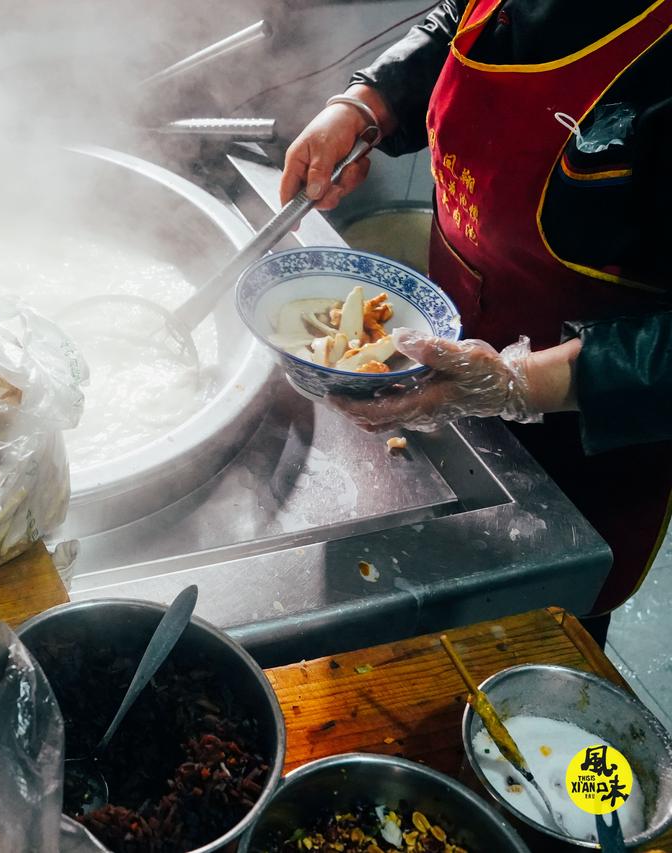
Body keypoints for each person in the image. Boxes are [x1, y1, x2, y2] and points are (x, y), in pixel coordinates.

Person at [280, 0, 672, 640]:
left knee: (531, 639)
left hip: (585, 439)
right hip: (445, 351)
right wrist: (364, 105)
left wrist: (521, 382)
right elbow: (464, 18)